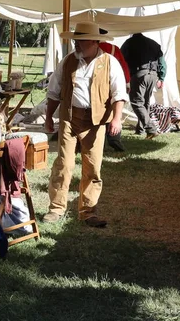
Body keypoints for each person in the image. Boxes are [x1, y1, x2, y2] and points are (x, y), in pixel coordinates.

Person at [43, 21, 128, 227]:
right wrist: (48, 117)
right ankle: (56, 209)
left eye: (81, 41)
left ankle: (88, 211)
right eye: (76, 41)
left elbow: (119, 94)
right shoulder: (68, 61)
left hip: (95, 122)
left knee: (92, 167)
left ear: (94, 41)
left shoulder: (110, 62)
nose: (77, 45)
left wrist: (116, 119)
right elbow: (54, 92)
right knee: (64, 164)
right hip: (70, 118)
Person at [120, 33, 166, 139]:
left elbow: (122, 60)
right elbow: (162, 62)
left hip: (139, 74)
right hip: (153, 75)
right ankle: (140, 129)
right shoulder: (154, 43)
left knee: (136, 102)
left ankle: (151, 128)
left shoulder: (129, 43)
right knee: (145, 103)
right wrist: (161, 77)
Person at [99, 41, 130, 152]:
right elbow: (122, 66)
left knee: (98, 113)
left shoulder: (87, 48)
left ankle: (100, 142)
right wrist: (126, 83)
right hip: (111, 83)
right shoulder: (113, 48)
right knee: (113, 110)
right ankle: (114, 138)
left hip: (96, 85)